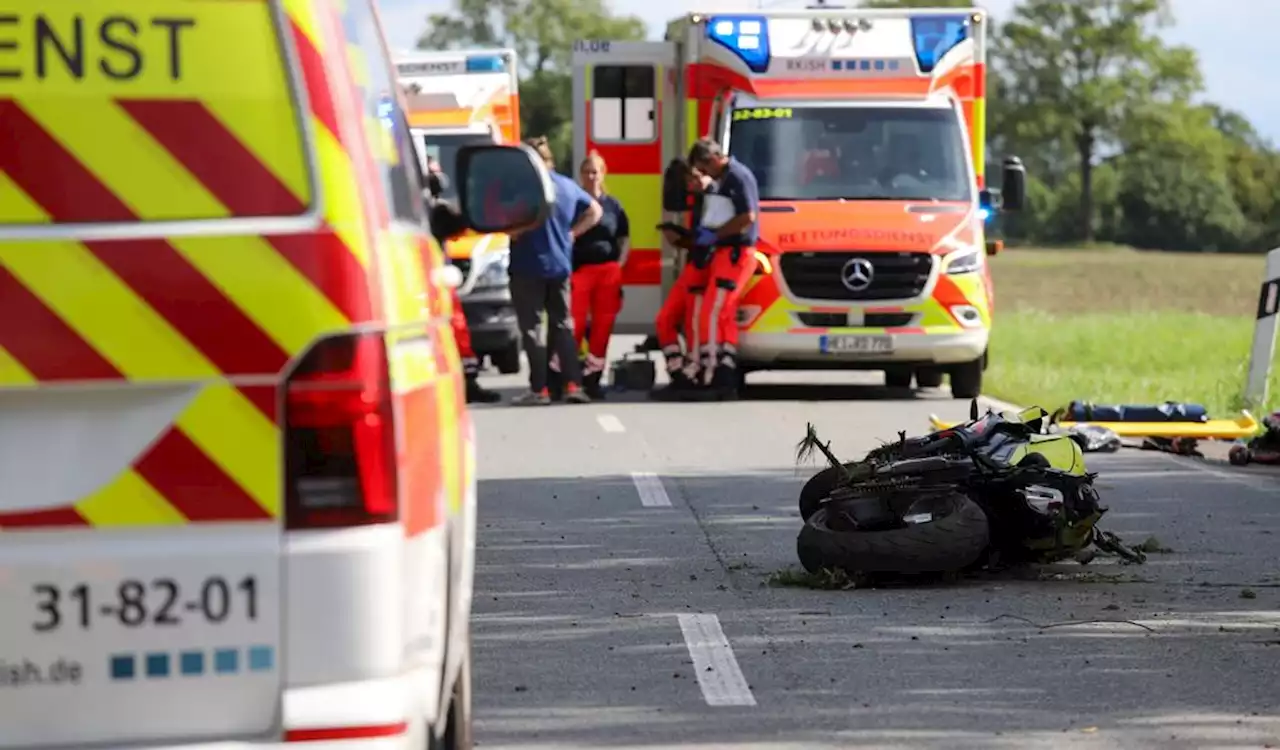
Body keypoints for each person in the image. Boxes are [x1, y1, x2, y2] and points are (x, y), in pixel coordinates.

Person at [508, 136, 603, 406]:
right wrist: (573, 233)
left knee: (533, 328)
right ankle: (573, 385)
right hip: (560, 264)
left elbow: (511, 228)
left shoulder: (524, 188)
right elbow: (595, 210)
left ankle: (540, 390)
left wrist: (518, 230)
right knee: (563, 325)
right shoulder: (567, 186)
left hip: (528, 266)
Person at [687, 138, 761, 399]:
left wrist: (717, 234)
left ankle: (715, 372)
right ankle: (721, 371)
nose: (705, 175)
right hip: (727, 252)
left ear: (713, 159)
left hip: (734, 252)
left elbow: (747, 217)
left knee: (715, 310)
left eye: (704, 169)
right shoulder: (726, 177)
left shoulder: (737, 177)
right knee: (721, 311)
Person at [423, 158, 501, 404]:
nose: (438, 178)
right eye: (433, 173)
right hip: (423, 283)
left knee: (458, 332)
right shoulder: (423, 210)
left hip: (439, 281)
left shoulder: (435, 208)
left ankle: (467, 383)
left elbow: (461, 224)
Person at [651, 160, 714, 400]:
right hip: (693, 265)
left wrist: (683, 239)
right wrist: (681, 238)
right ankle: (677, 372)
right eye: (688, 182)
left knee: (693, 326)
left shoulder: (712, 197)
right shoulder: (699, 200)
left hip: (702, 267)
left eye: (693, 180)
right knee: (665, 320)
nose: (690, 186)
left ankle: (691, 375)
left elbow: (710, 239)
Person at [570, 151, 631, 399]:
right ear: (581, 176)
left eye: (595, 172)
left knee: (602, 326)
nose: (591, 177)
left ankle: (593, 377)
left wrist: (620, 263)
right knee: (574, 324)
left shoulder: (613, 206)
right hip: (581, 271)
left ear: (603, 174)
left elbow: (624, 237)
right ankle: (569, 376)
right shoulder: (575, 204)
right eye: (587, 172)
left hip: (608, 271)